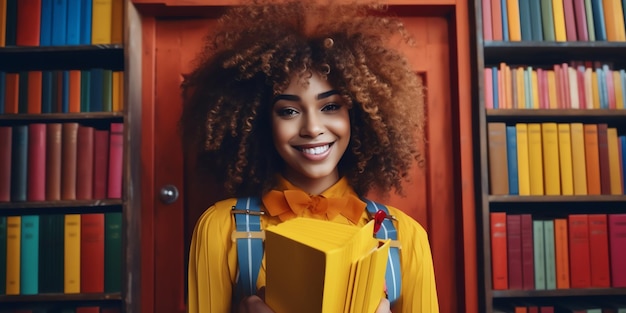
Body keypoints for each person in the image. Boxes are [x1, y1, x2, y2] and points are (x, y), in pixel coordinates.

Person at [182, 1, 439, 312]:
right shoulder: (219, 229)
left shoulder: (405, 238)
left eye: (330, 106)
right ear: (263, 123)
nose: (313, 128)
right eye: (289, 110)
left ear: (358, 116)